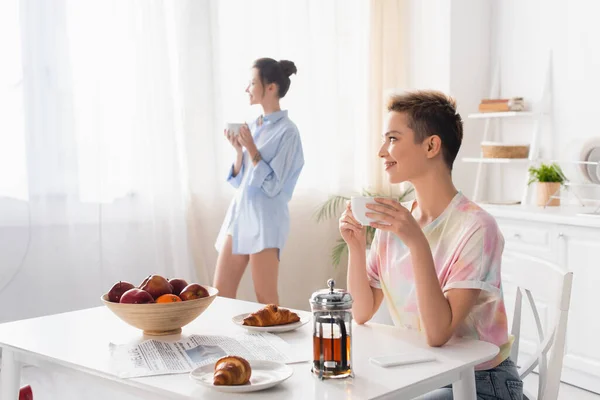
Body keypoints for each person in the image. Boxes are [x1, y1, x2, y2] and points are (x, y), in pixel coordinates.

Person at [339, 90, 523, 399]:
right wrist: (356, 247)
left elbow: (438, 333)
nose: (382, 151)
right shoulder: (397, 222)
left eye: (393, 139)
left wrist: (416, 242)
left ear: (431, 145)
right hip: (422, 373)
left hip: (481, 382)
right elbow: (361, 311)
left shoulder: (477, 226)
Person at [213, 58, 304, 306]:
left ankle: (273, 345)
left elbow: (274, 186)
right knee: (220, 295)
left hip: (265, 220)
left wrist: (252, 147)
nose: (247, 88)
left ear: (271, 87)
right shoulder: (252, 126)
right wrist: (239, 152)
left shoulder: (288, 132)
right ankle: (225, 345)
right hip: (240, 215)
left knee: (265, 299)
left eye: (253, 82)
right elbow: (241, 182)